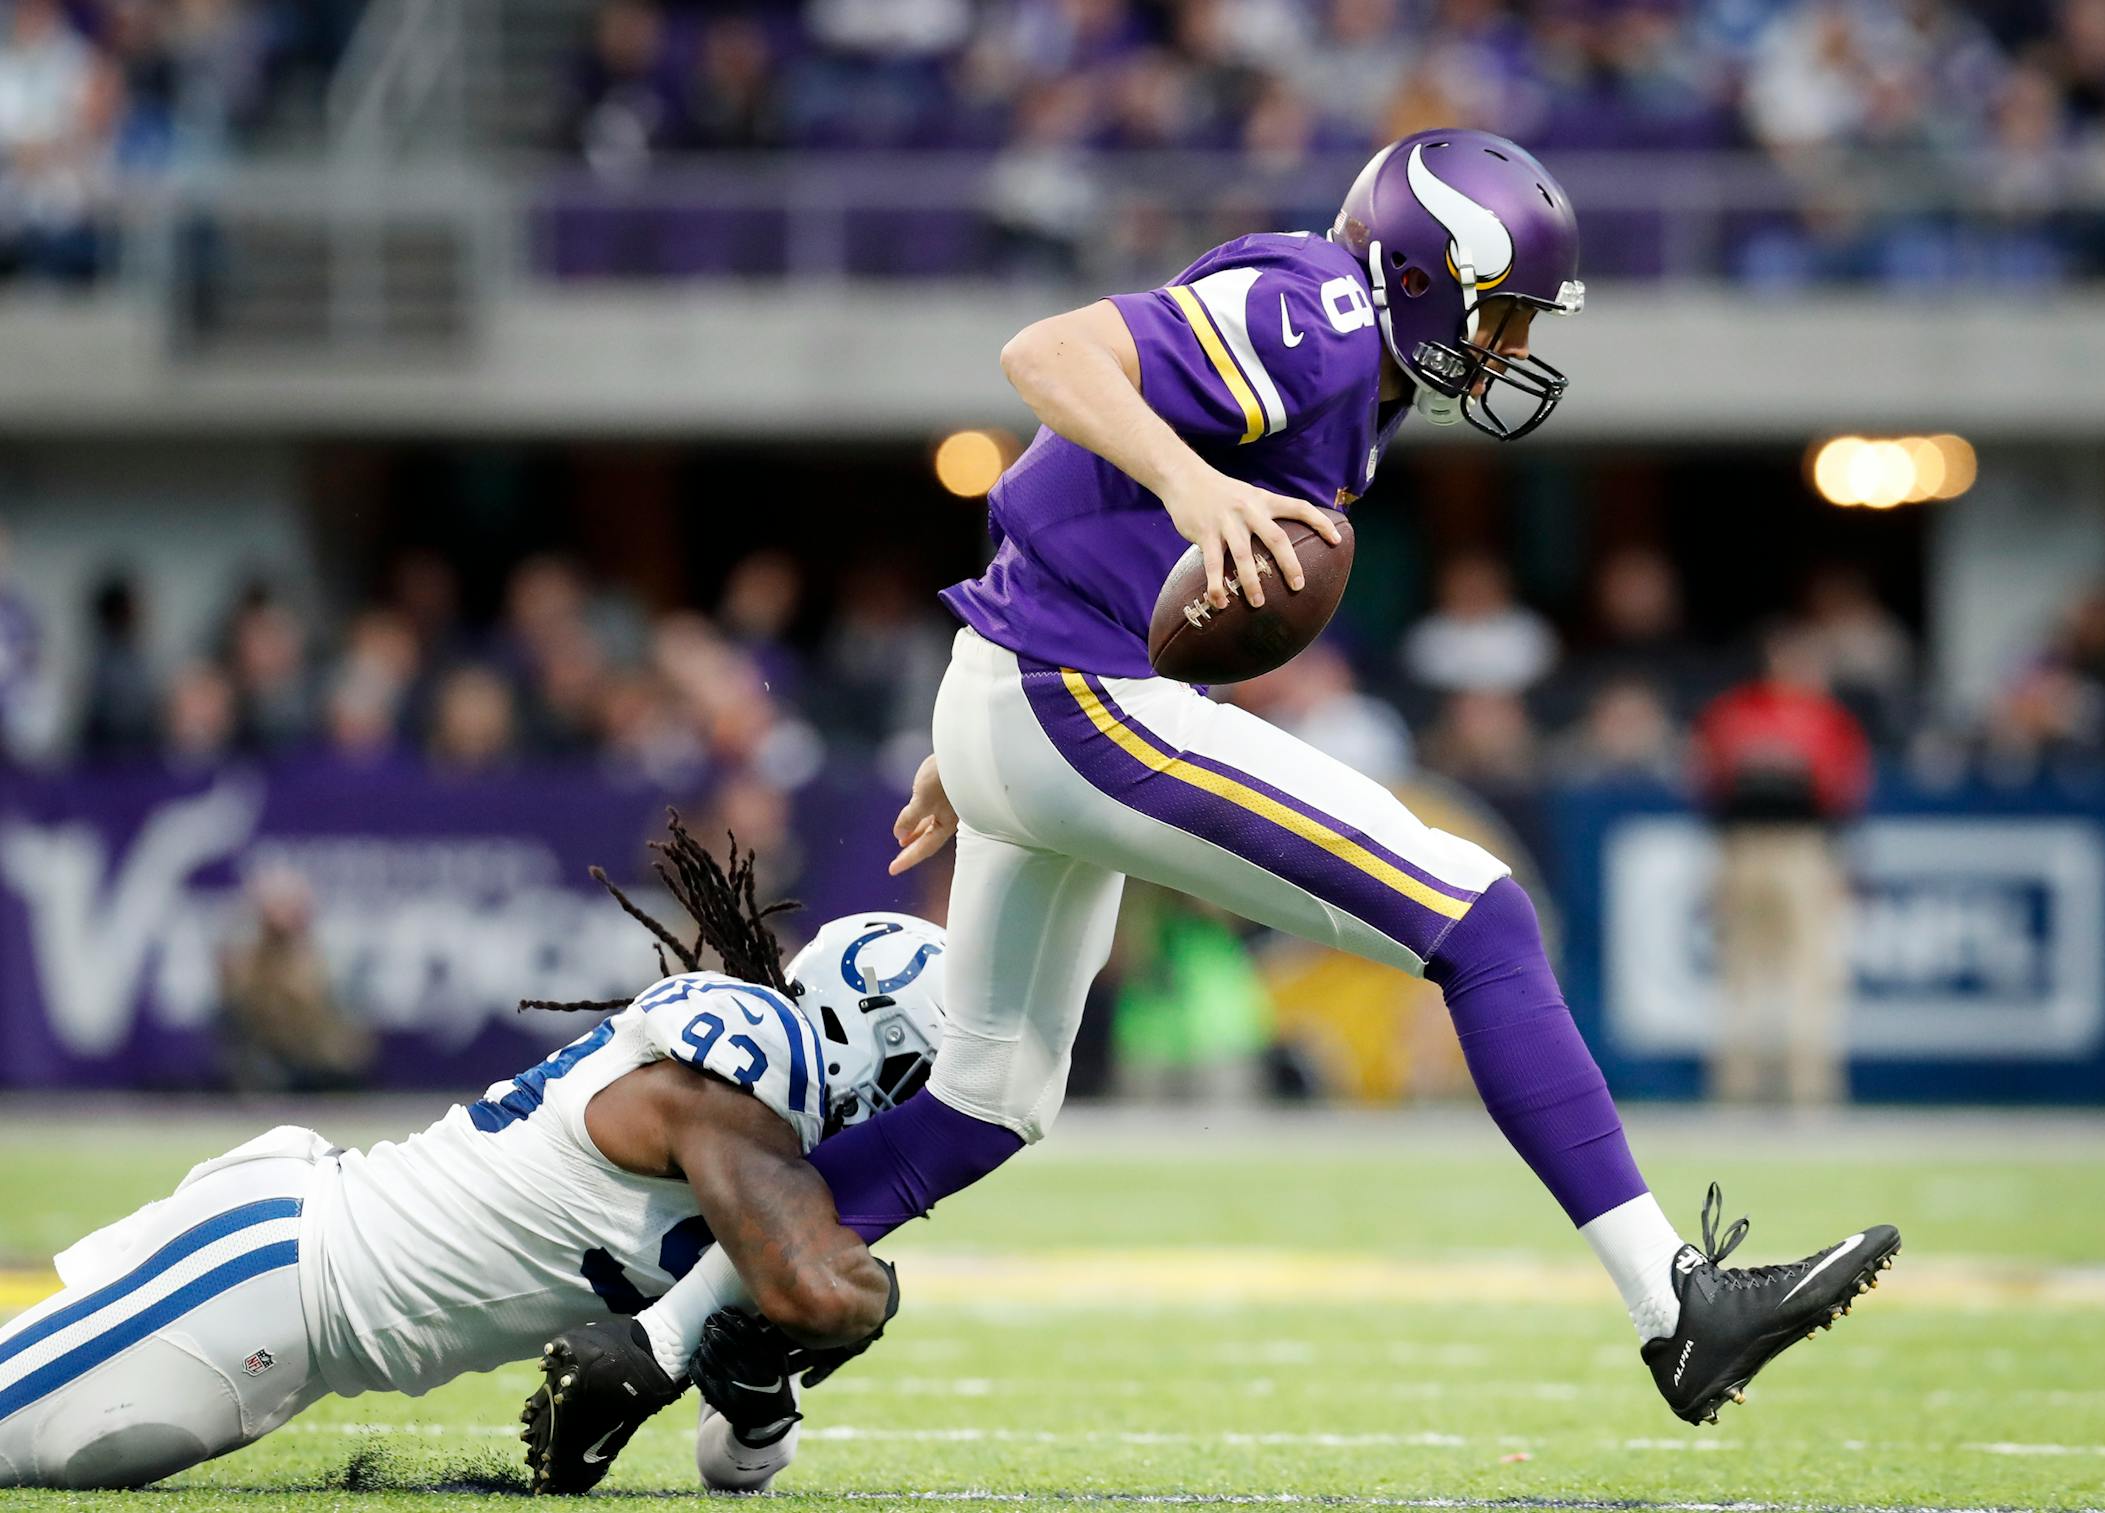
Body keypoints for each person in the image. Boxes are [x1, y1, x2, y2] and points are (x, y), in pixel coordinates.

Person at [569, 129, 1902, 1453]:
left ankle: (670, 1333)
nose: (1507, 351)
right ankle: (1675, 1301)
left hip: (1026, 688)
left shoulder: (1355, 370)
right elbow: (1043, 356)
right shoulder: (1314, 311)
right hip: (1069, 700)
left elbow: (1053, 489)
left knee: (989, 1103)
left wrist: (982, 718)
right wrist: (1192, 490)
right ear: (1428, 275)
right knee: (1482, 918)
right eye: (1499, 313)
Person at [0, 816, 945, 1494]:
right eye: (924, 1078)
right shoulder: (745, 1076)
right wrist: (868, 1297)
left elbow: (731, 1466)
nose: (920, 1111)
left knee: (84, 1449)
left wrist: (761, 1397)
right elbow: (817, 1294)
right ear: (880, 1044)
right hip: (275, 1273)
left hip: (296, 1325)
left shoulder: (774, 1178)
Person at [1693, 628, 1872, 1106]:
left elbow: (1846, 793)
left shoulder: (1829, 720)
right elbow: (1707, 780)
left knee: (1808, 970)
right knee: (1743, 970)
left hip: (1803, 848)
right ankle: (1738, 1087)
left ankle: (1808, 1089)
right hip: (1748, 848)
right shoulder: (1737, 713)